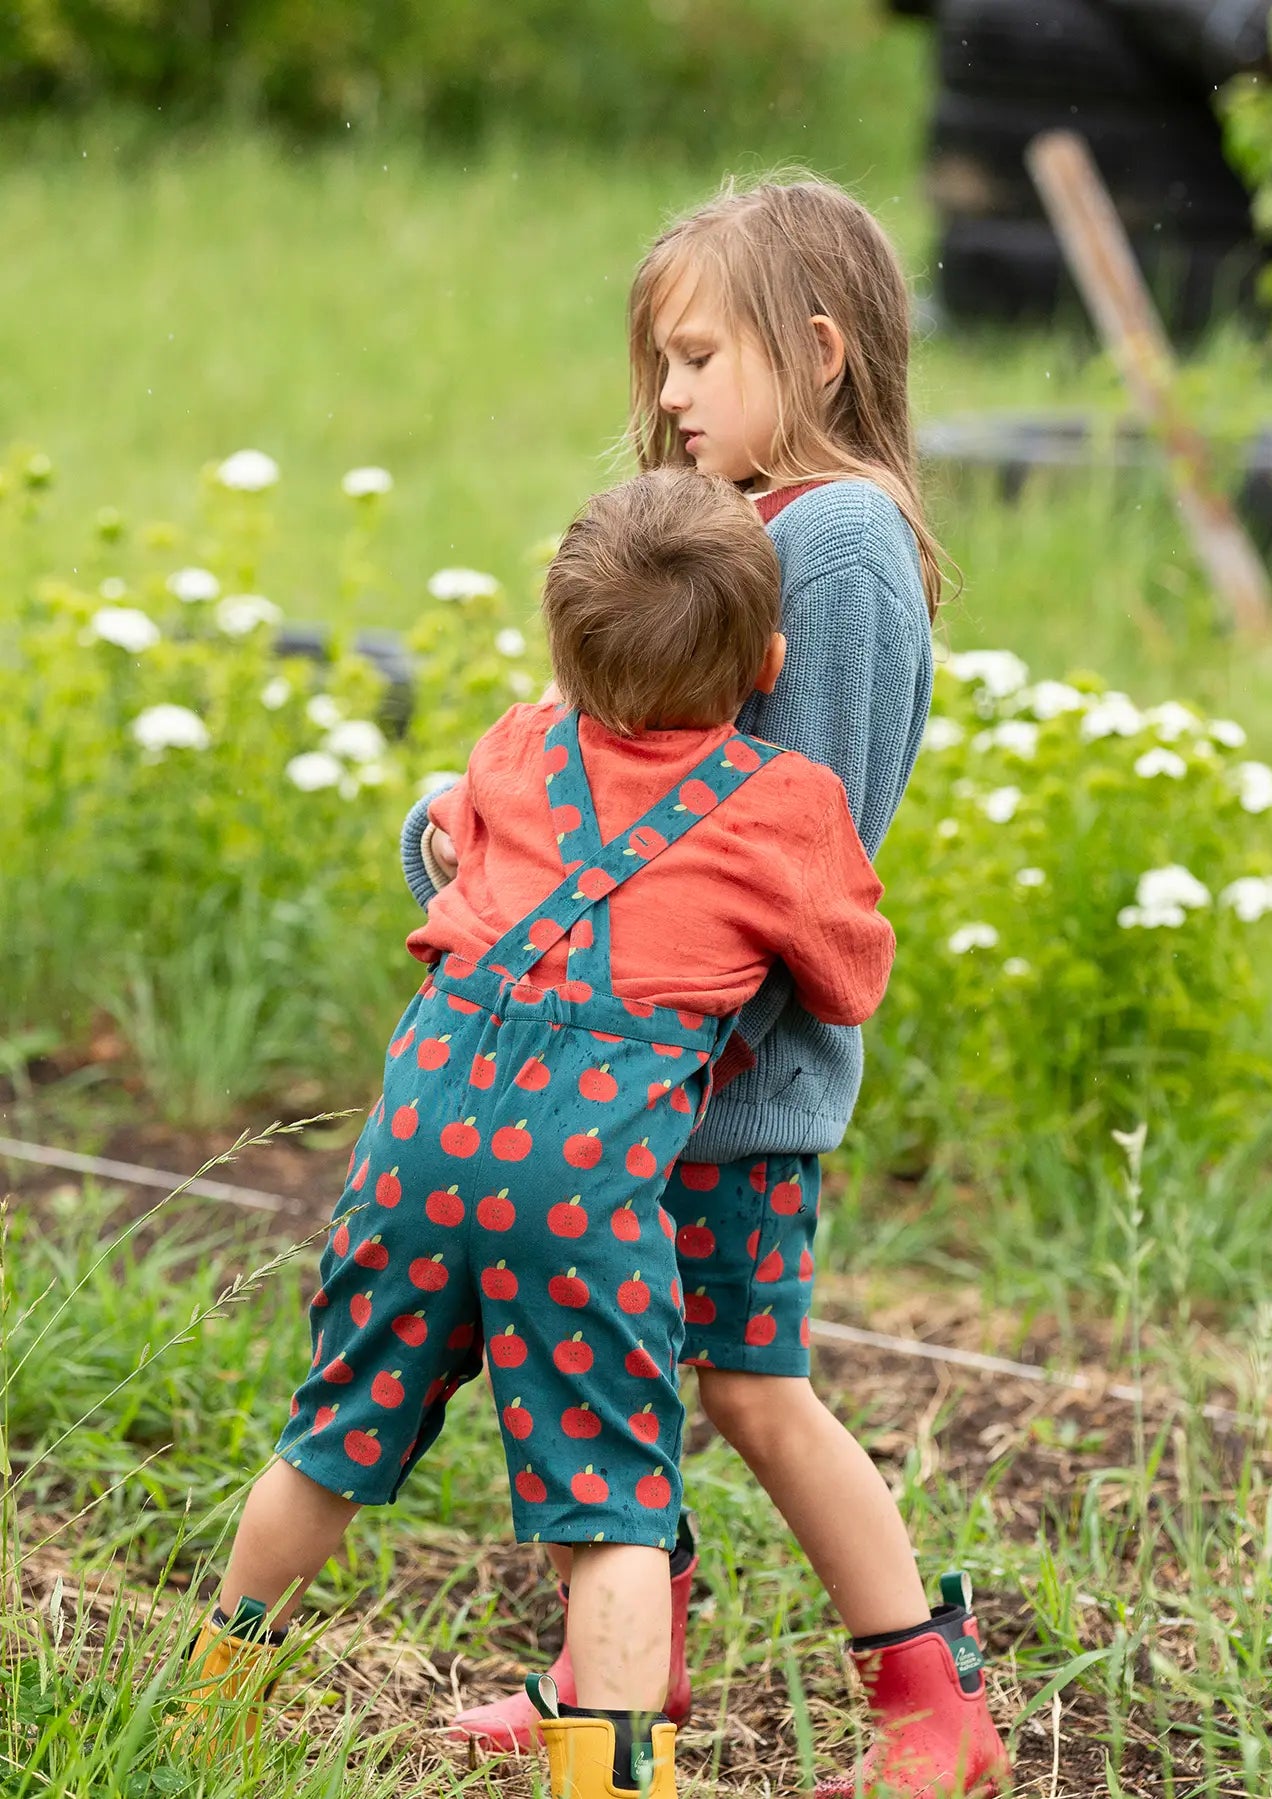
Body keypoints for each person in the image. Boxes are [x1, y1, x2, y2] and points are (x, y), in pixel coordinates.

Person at [402, 178, 1012, 1798]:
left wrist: (600, 988)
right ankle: (621, 1686)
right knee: (604, 1366)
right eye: (659, 365)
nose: (664, 400)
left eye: (692, 360)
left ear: (811, 353)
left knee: (751, 1383)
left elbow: (791, 845)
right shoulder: (749, 534)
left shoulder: (841, 548)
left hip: (713, 1089)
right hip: (628, 1070)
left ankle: (932, 1713)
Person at [178, 468, 899, 1799]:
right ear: (772, 662)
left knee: (328, 1439)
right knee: (613, 1497)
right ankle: (608, 1784)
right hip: (577, 1189)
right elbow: (850, 974)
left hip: (414, 1142)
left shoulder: (515, 744)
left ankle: (210, 1697)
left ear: (563, 655)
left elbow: (448, 845)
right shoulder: (783, 798)